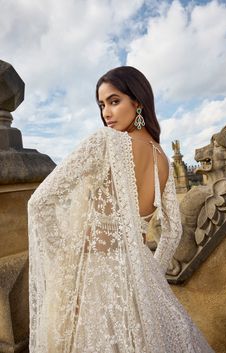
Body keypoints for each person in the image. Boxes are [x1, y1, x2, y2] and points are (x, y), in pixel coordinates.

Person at [28, 66, 215, 353]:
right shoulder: (161, 158)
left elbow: (39, 203)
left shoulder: (105, 141)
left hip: (95, 277)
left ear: (137, 102)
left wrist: (66, 268)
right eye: (102, 105)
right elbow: (173, 231)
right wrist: (150, 275)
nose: (106, 113)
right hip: (140, 278)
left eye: (114, 101)